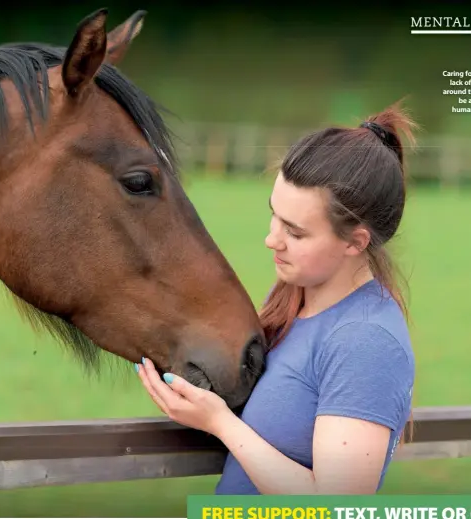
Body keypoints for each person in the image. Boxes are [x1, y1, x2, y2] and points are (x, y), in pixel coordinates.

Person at [136, 100, 417, 495]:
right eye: (274, 215)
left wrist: (221, 423)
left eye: (295, 232)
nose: (271, 240)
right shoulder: (291, 295)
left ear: (356, 242)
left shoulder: (366, 342)